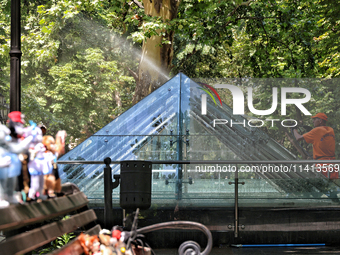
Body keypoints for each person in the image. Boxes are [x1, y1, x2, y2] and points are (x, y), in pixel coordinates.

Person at [293, 113, 337, 179]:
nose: (313, 121)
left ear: (320, 121)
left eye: (314, 119)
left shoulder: (316, 130)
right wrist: (311, 131)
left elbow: (298, 138)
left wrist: (294, 129)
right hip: (333, 164)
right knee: (333, 186)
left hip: (322, 165)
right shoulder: (331, 130)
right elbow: (321, 137)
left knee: (321, 185)